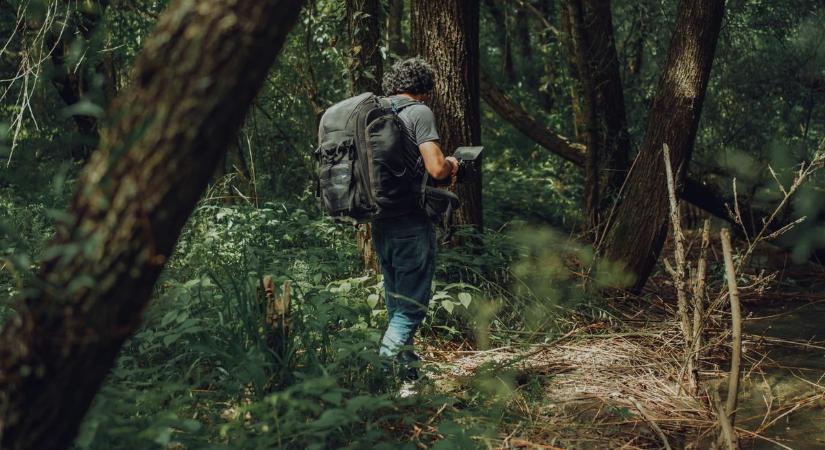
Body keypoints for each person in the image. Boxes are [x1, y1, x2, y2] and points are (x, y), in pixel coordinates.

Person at [373, 57, 457, 383]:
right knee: (410, 308)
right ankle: (379, 379)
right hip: (410, 221)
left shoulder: (378, 112)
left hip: (380, 221)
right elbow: (436, 169)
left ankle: (407, 380)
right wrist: (452, 163)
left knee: (397, 305)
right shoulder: (418, 111)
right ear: (423, 89)